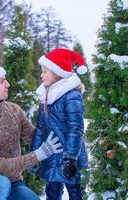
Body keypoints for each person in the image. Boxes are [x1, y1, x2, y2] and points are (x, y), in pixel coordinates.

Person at [0, 61, 63, 200]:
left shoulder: (13, 110)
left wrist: (60, 134)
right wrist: (38, 155)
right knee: (1, 183)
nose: (8, 84)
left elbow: (34, 137)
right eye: (2, 81)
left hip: (13, 182)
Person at [30, 48, 88, 200]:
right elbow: (41, 128)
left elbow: (76, 129)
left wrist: (70, 158)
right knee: (52, 193)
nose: (41, 75)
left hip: (70, 157)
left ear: (57, 73)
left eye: (45, 72)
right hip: (52, 154)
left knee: (76, 192)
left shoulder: (71, 96)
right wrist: (34, 155)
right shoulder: (45, 96)